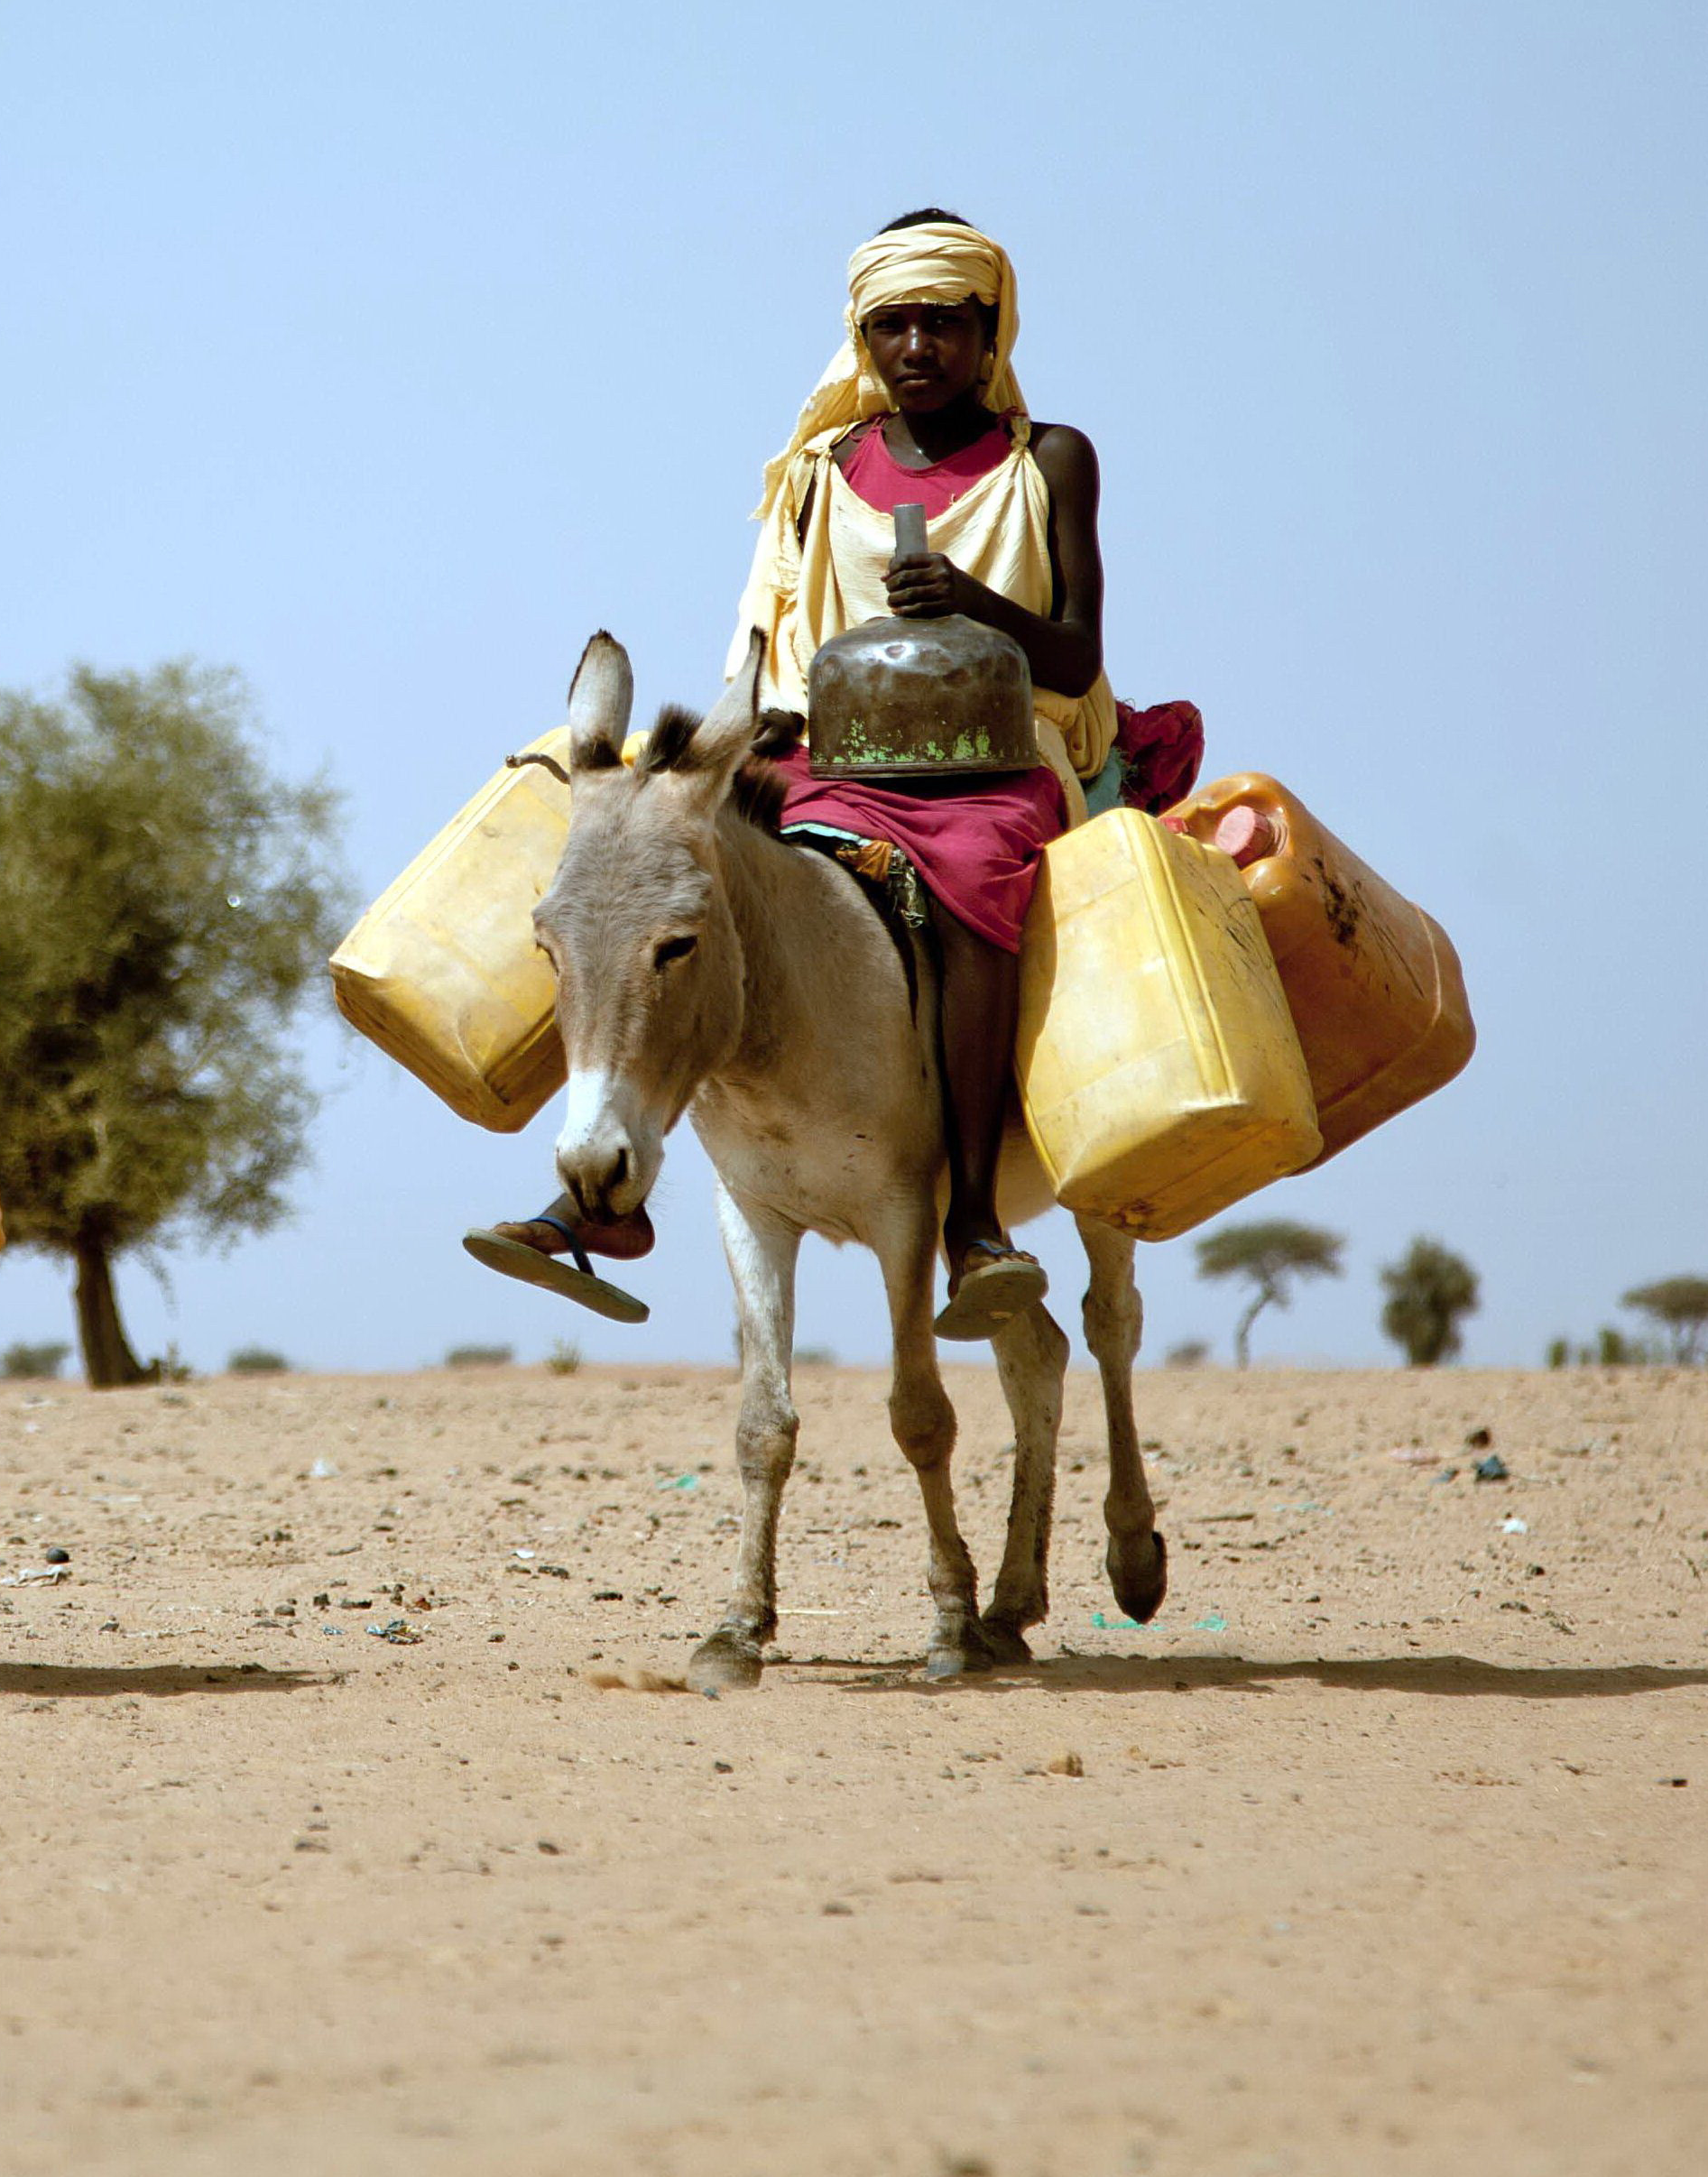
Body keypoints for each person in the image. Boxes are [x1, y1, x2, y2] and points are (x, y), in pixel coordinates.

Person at [469, 210, 1192, 1339]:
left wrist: (971, 602)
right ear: (863, 337)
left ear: (987, 330)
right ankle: (596, 1190)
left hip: (995, 763)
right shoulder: (818, 472)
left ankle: (972, 1229)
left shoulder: (1047, 460)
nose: (917, 348)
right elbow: (771, 632)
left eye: (942, 324)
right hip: (832, 757)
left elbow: (1077, 652)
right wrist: (733, 749)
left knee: (973, 887)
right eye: (891, 325)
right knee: (649, 883)